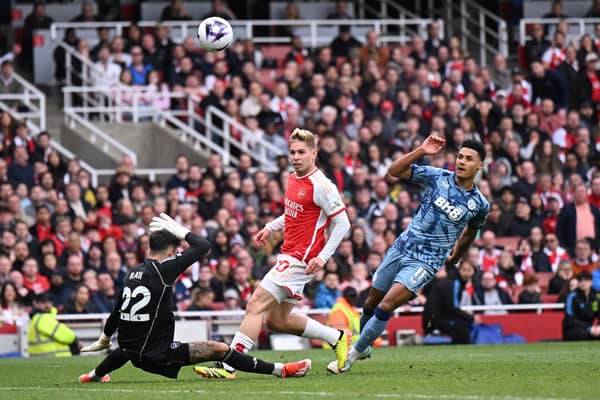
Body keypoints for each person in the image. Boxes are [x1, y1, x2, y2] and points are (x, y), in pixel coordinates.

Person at [78, 213, 311, 383]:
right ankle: (281, 369)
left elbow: (117, 312)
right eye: (177, 251)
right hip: (158, 355)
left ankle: (94, 375)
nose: (179, 255)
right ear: (170, 252)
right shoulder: (164, 269)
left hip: (133, 350)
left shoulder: (132, 272)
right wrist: (182, 230)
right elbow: (203, 245)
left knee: (127, 349)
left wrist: (106, 336)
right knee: (220, 348)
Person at [195, 128, 351, 379]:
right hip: (288, 253)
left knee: (255, 304)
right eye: (292, 152)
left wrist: (322, 257)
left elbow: (343, 223)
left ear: (314, 153)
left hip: (300, 259)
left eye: (302, 152)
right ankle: (338, 337)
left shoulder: (322, 185)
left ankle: (228, 365)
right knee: (277, 321)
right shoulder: (293, 177)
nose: (296, 157)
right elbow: (293, 213)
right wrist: (270, 226)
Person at [336, 136, 489, 373]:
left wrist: (457, 256)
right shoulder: (437, 176)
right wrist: (421, 151)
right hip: (401, 247)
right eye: (460, 156)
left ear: (479, 165)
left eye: (469, 159)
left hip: (427, 261)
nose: (462, 162)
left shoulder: (479, 204)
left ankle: (352, 354)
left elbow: (470, 233)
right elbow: (394, 171)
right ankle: (365, 346)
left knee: (387, 304)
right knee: (372, 301)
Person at [422, 260, 478, 344]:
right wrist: (471, 318)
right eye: (464, 270)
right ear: (459, 270)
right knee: (463, 331)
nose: (466, 273)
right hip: (434, 320)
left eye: (469, 270)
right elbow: (453, 308)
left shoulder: (453, 281)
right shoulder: (454, 283)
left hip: (434, 318)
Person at [28, 291, 82, 357]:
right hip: (53, 358)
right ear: (36, 304)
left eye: (49, 302)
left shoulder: (37, 318)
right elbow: (66, 335)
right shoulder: (42, 318)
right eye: (43, 302)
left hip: (45, 359)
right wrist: (76, 341)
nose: (47, 305)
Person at [562, 271, 600, 341]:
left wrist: (598, 328)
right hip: (573, 329)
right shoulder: (572, 297)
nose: (583, 283)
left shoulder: (595, 298)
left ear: (591, 282)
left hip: (591, 329)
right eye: (581, 280)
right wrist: (588, 328)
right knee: (582, 334)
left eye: (586, 280)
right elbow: (570, 318)